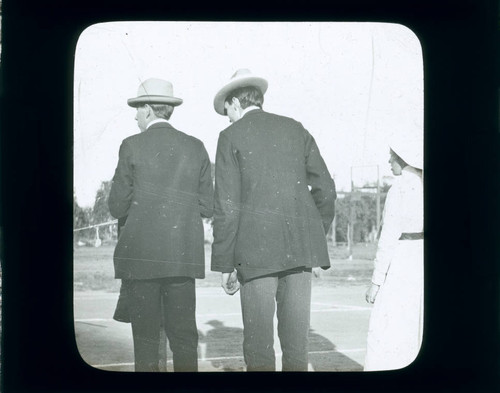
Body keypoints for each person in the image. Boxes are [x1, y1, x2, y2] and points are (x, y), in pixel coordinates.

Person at [211, 69, 337, 371]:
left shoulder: (230, 136)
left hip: (254, 258)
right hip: (300, 255)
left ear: (237, 103)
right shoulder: (296, 129)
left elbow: (227, 208)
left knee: (258, 347)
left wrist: (225, 264)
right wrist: (314, 238)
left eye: (226, 110)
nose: (227, 117)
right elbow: (327, 190)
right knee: (297, 346)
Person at [108, 78, 214, 372]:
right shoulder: (196, 147)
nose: (135, 116)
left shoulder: (130, 146)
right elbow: (208, 205)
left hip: (141, 263)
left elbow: (116, 206)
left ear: (147, 110)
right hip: (182, 261)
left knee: (145, 342)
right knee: (183, 340)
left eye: (137, 109)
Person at [364, 131, 424, 371]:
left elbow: (388, 238)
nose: (389, 162)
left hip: (403, 262)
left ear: (403, 159)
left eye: (392, 157)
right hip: (423, 259)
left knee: (387, 327)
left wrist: (376, 282)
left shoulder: (398, 188)